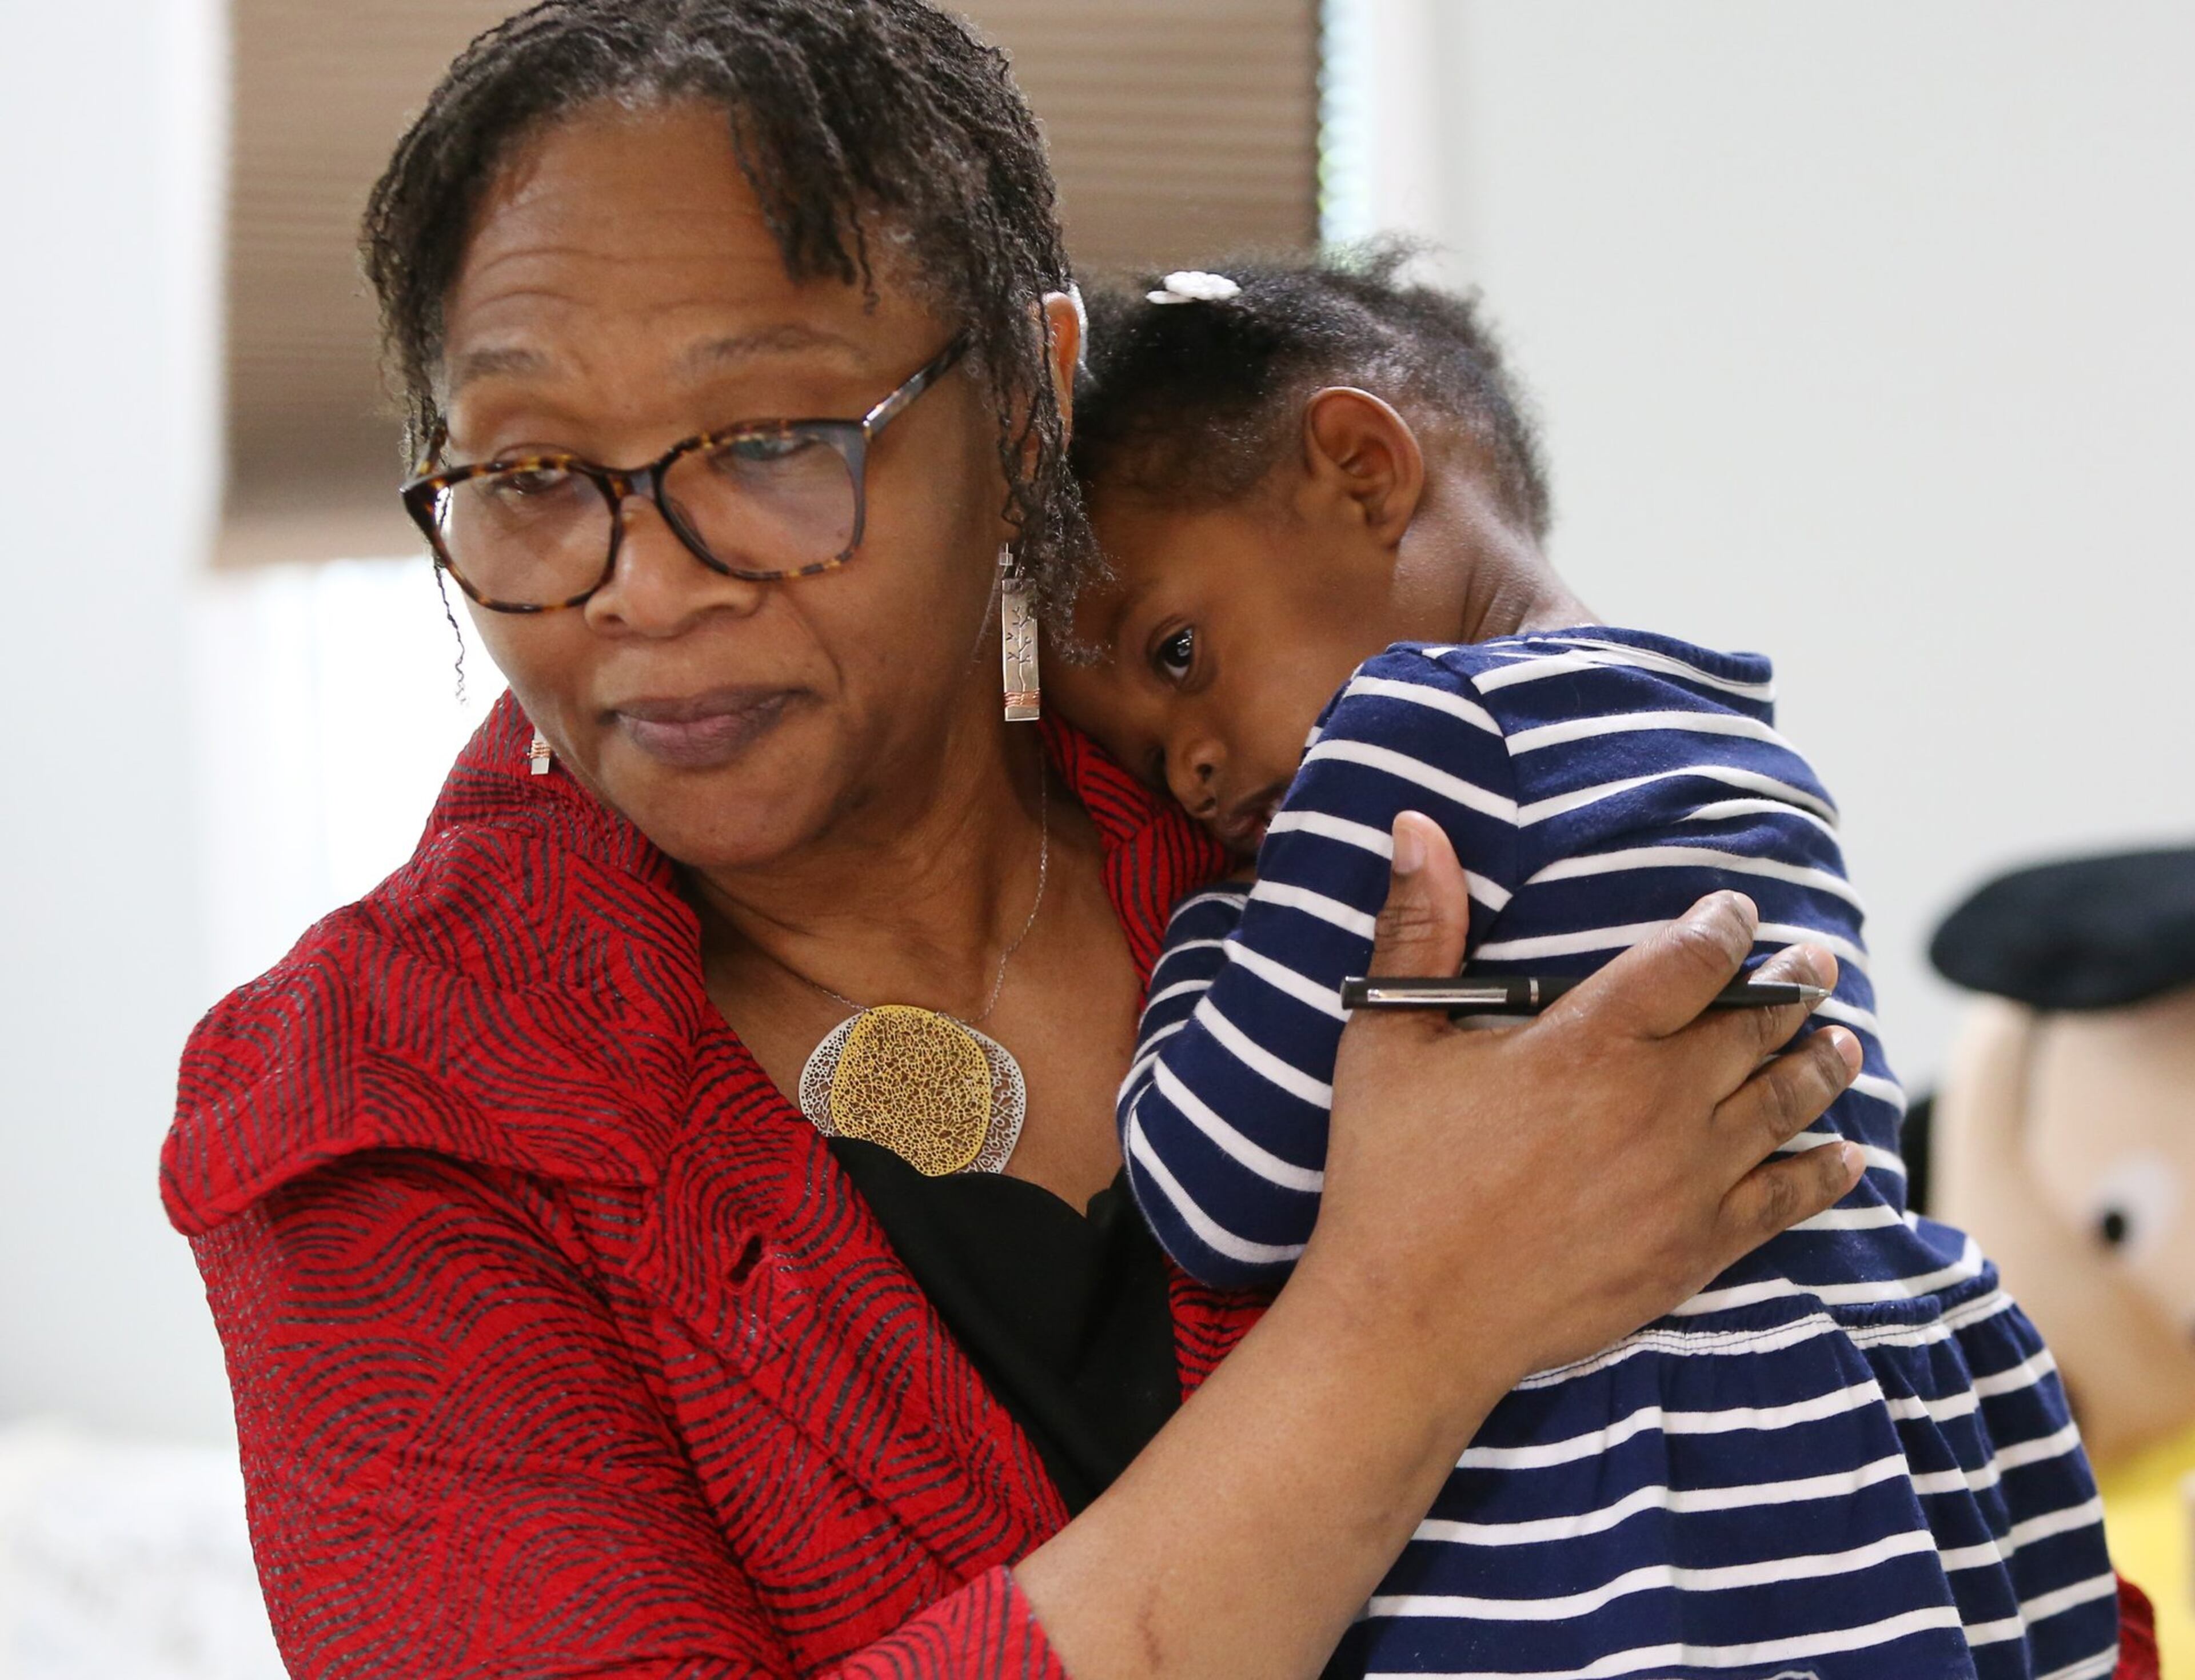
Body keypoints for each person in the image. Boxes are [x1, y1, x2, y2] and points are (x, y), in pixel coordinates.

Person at [154, 6, 2148, 1678]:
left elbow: (1845, 1435)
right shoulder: (372, 1104)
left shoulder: (1314, 791)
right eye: (527, 471)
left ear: (1030, 402)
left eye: (769, 443)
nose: (644, 584)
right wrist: (1404, 1330)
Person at [1049, 249, 2120, 1678]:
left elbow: (1216, 1195)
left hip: (1633, 1526)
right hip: (1880, 1466)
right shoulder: (1745, 740)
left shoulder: (1408, 741)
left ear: (1365, 471)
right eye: (1137, 757)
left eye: (1178, 653)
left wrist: (1203, 927)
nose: (1183, 767)